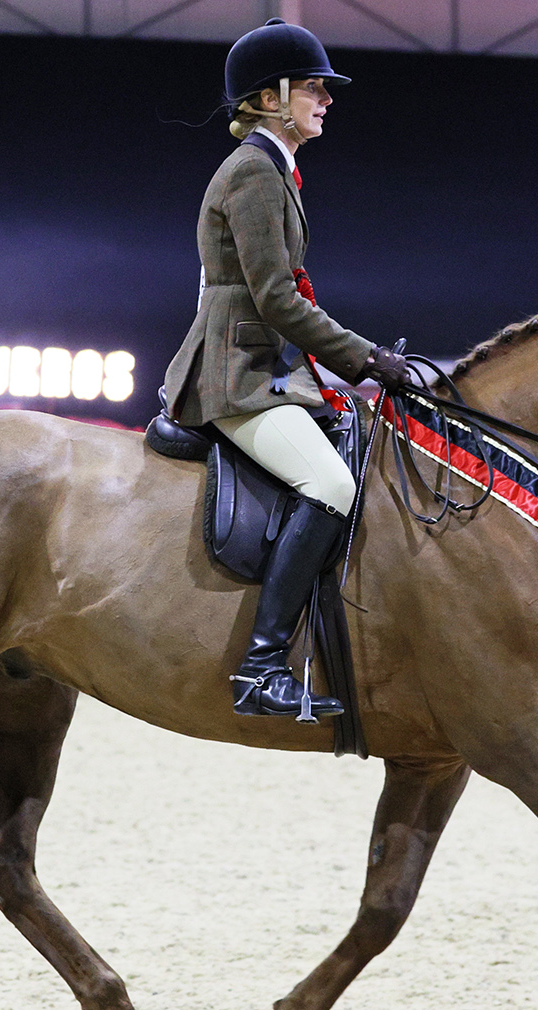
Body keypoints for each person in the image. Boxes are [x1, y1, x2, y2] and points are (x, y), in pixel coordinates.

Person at [161, 18, 410, 721]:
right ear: (269, 98)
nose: (326, 99)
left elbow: (286, 293)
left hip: (267, 365)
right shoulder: (252, 172)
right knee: (329, 483)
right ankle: (262, 666)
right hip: (236, 373)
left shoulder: (276, 170)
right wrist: (366, 359)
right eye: (312, 88)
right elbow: (274, 297)